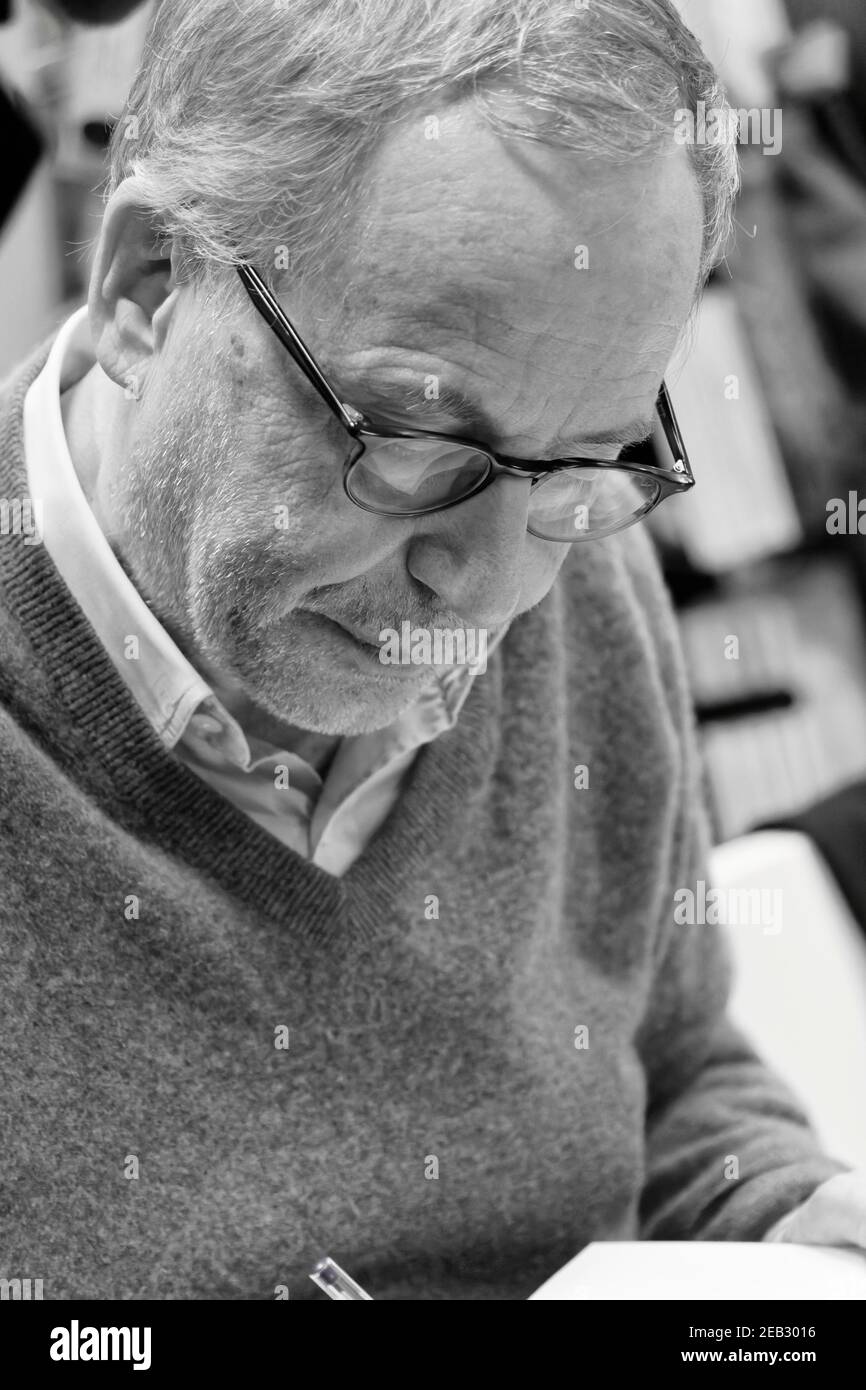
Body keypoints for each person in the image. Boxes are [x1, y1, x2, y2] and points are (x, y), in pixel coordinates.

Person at [0, 0, 862, 1300]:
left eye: (583, 465)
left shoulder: (577, 551)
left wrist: (798, 1234)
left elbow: (672, 1061)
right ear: (149, 283)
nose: (493, 578)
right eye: (411, 436)